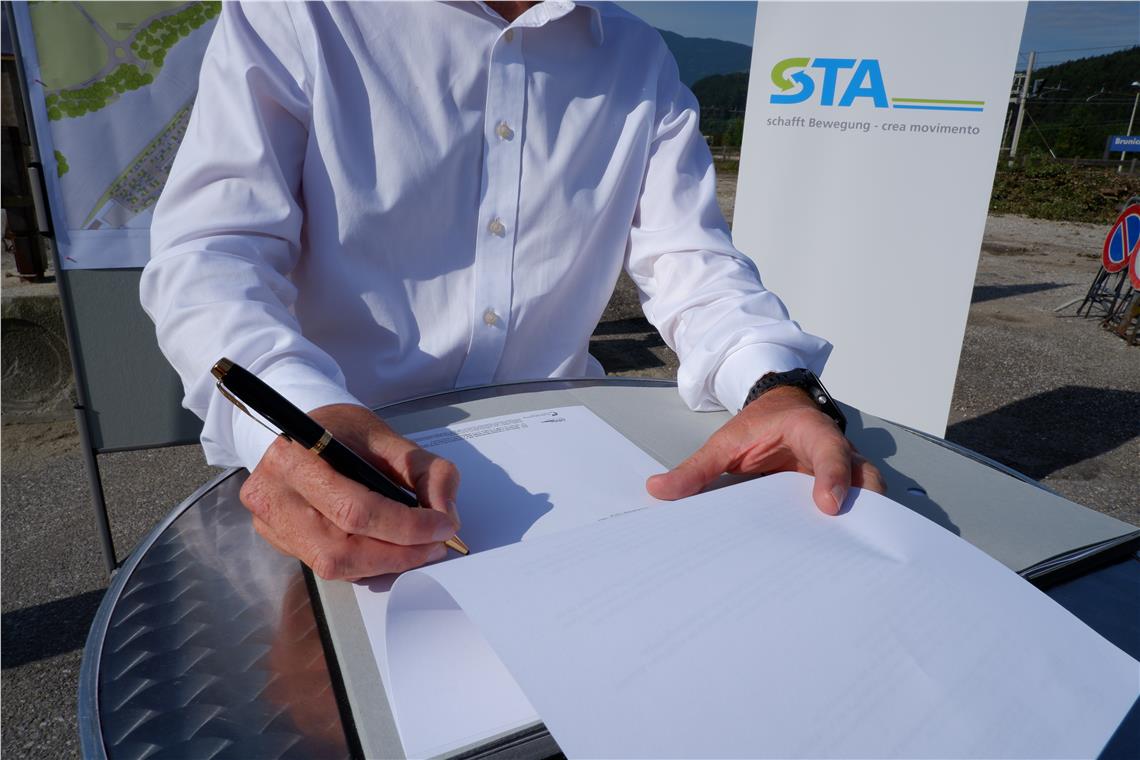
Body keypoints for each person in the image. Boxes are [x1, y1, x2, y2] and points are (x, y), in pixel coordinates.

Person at [142, 0, 884, 581]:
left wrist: (774, 386)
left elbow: (691, 260)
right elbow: (212, 254)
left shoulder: (636, 56)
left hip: (576, 473)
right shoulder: (299, 12)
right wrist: (303, 413)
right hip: (333, 472)